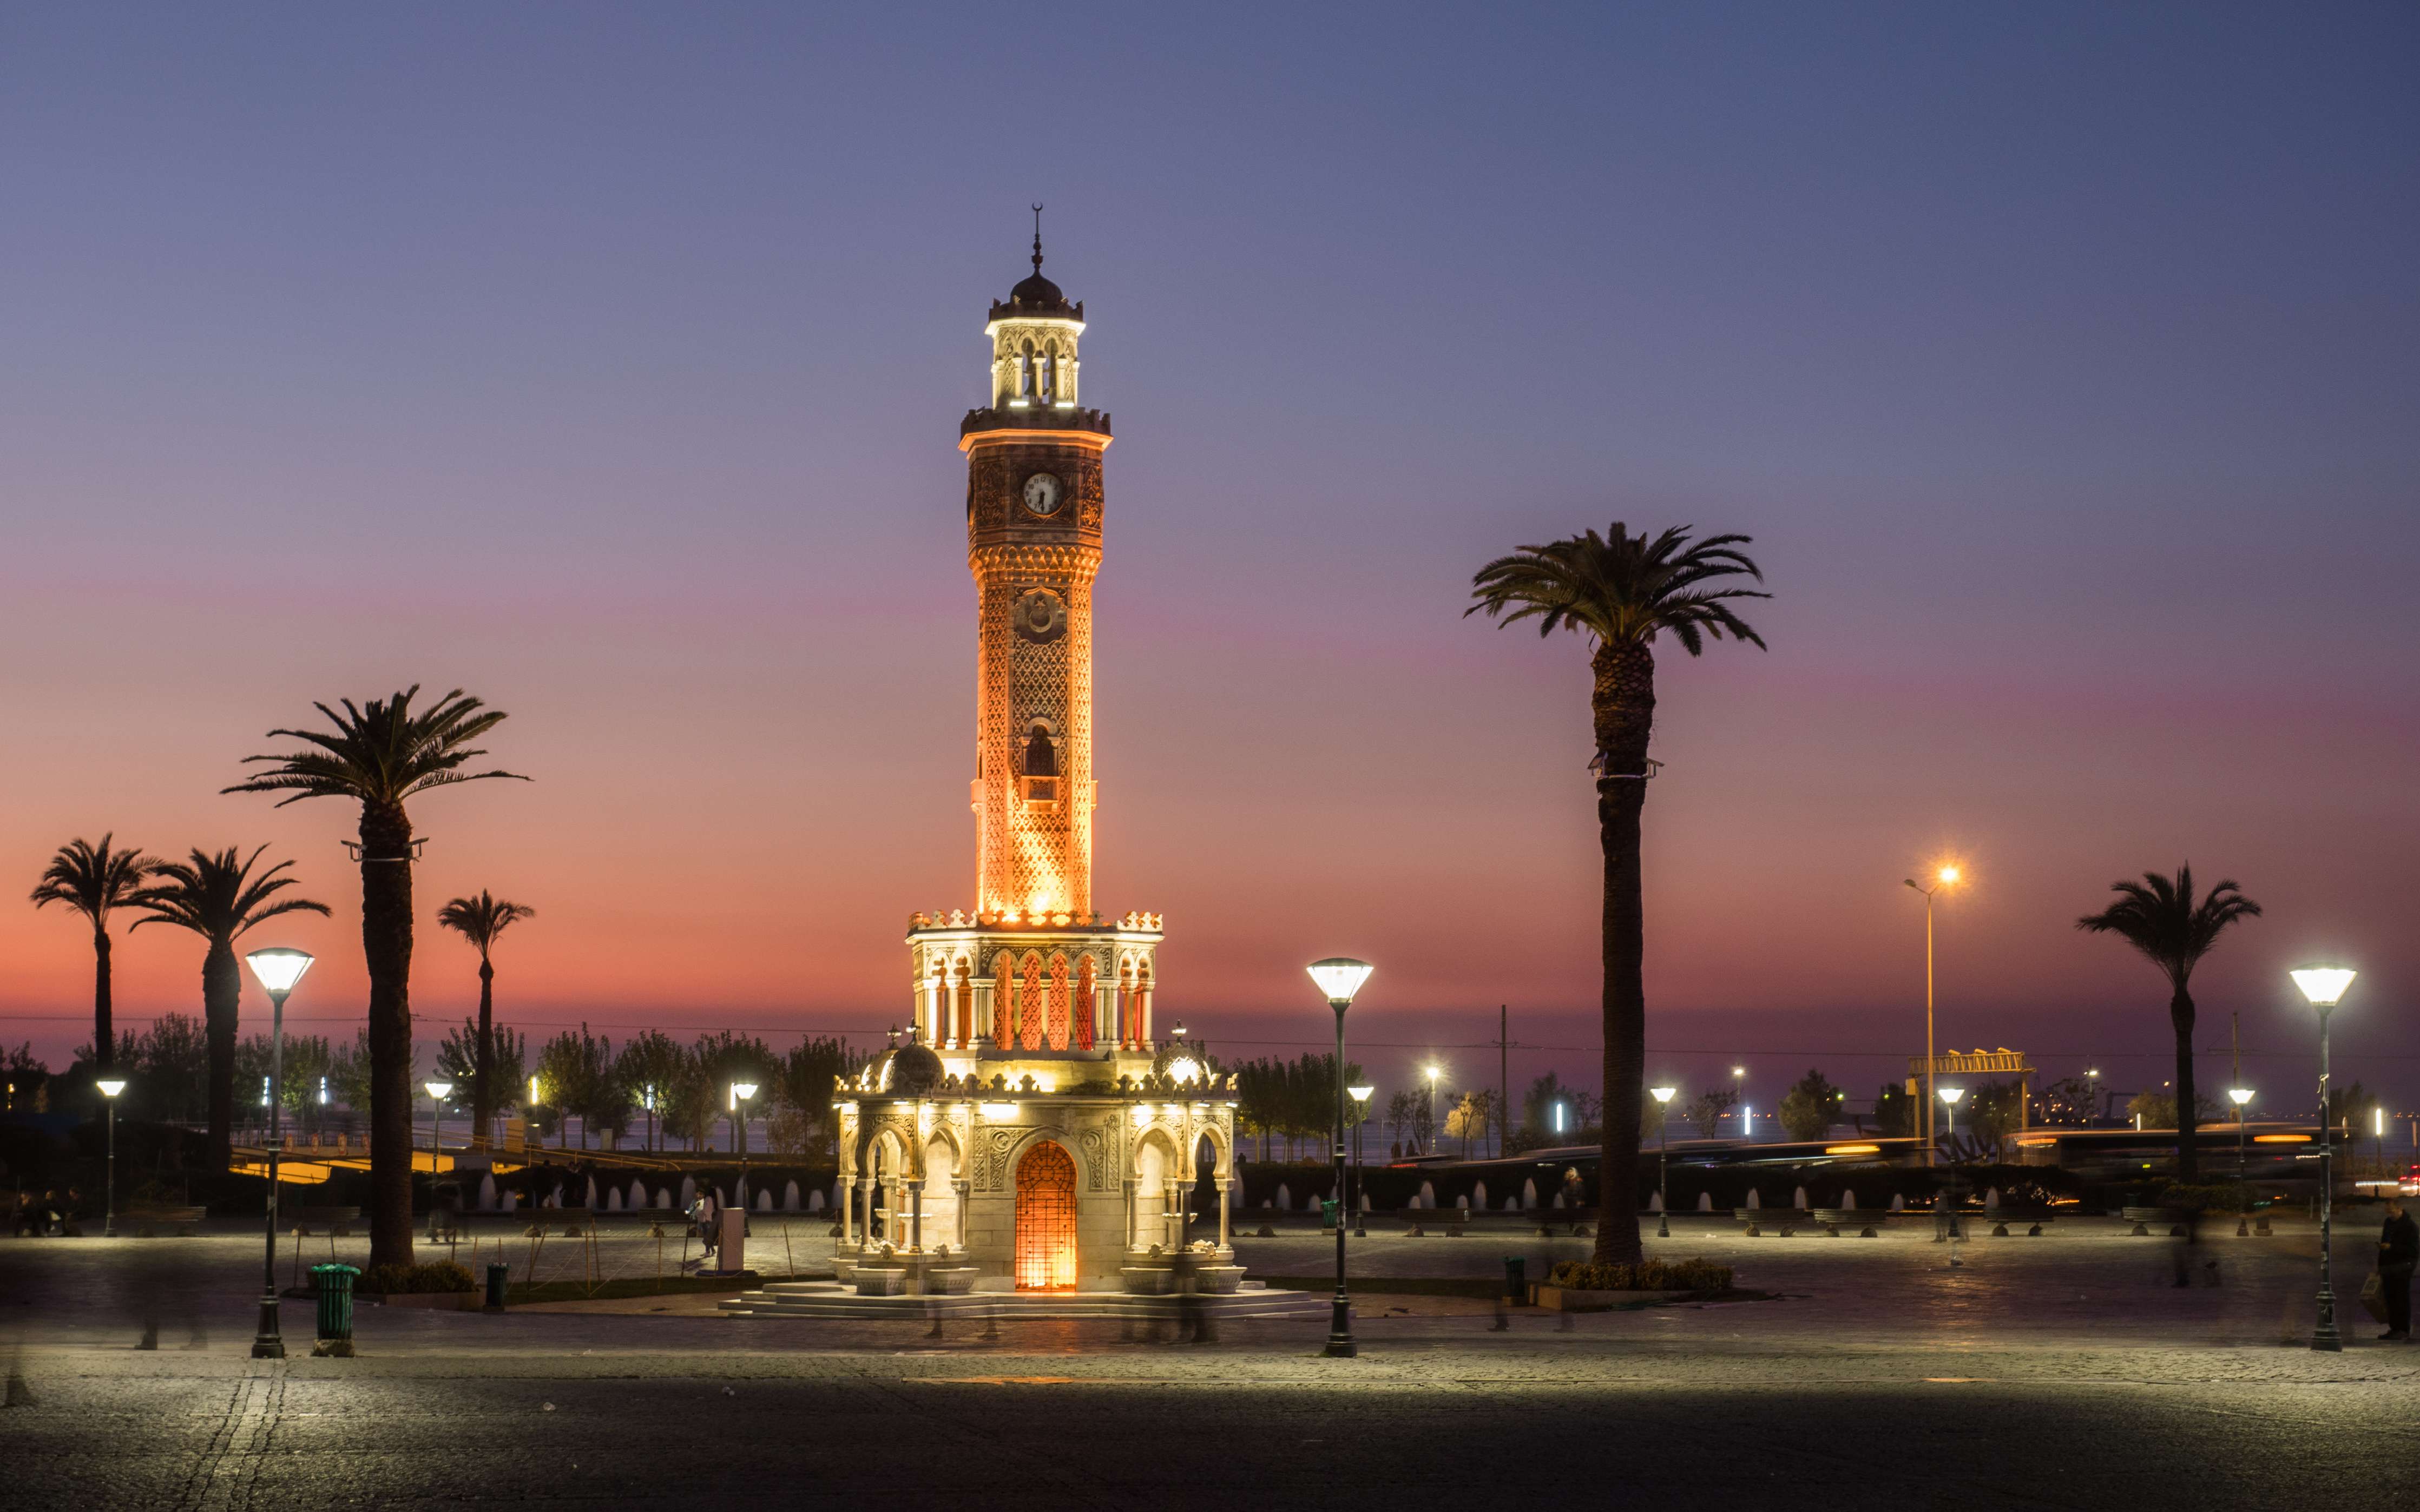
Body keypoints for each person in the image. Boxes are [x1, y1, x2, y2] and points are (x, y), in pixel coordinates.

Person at [2378, 1197, 2417, 1342]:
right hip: (2389, 1267)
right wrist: (2380, 1266)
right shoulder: (2388, 1223)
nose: (2389, 1214)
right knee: (2390, 1298)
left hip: (2403, 1268)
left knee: (2401, 1298)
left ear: (2400, 1209)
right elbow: (2384, 1242)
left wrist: (2392, 1248)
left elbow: (2413, 1251)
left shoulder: (2410, 1226)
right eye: (2387, 1211)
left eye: (2391, 1211)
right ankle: (2395, 1328)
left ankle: (2403, 1329)